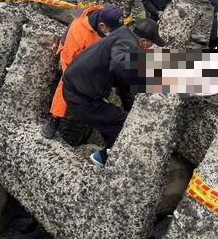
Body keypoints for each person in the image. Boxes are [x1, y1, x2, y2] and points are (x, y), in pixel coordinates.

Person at [62, 18, 165, 167]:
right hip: (81, 97)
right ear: (143, 42)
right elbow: (119, 66)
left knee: (113, 120)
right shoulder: (129, 45)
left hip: (78, 88)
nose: (151, 47)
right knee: (123, 124)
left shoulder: (123, 33)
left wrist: (131, 108)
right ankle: (104, 158)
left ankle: (103, 156)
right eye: (152, 44)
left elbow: (124, 85)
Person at [41, 4, 125, 139]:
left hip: (96, 55)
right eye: (113, 30)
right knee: (66, 83)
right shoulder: (78, 32)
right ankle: (55, 119)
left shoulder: (107, 19)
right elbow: (68, 64)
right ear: (102, 26)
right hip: (74, 60)